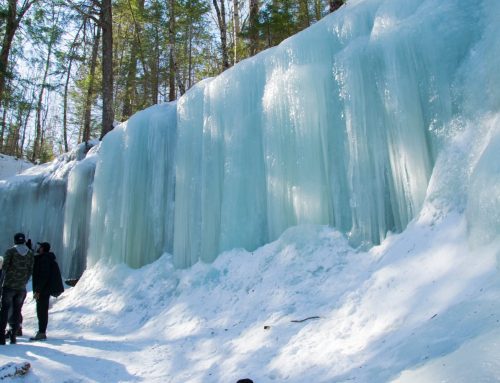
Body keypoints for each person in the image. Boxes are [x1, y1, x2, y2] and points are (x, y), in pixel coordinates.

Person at [0, 233, 34, 345]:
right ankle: (13, 335)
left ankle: (1, 336)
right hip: (21, 287)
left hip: (9, 285)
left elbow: (4, 268)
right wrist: (24, 280)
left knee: (4, 310)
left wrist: (1, 282)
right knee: (17, 311)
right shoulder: (30, 253)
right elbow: (30, 270)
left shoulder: (10, 252)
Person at [30, 242, 56, 341]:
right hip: (44, 289)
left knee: (41, 311)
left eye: (40, 247)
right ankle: (41, 331)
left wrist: (38, 290)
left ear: (43, 249)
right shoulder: (45, 258)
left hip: (43, 290)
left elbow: (43, 276)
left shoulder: (44, 259)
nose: (38, 248)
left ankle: (41, 332)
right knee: (42, 310)